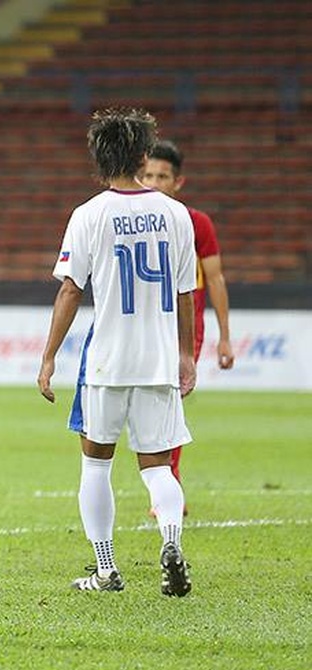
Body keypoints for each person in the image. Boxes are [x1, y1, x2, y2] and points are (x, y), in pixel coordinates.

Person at [36, 107, 197, 597]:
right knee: (156, 465)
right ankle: (170, 539)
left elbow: (70, 291)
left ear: (99, 159)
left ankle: (106, 569)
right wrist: (186, 354)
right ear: (144, 155)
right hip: (157, 359)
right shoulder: (176, 214)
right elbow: (186, 291)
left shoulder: (89, 214)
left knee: (96, 464)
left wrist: (48, 358)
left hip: (106, 360)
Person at [141, 140, 235, 493]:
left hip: (183, 330)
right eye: (148, 174)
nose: (153, 182)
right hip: (140, 326)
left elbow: (215, 279)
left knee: (169, 404)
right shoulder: (130, 222)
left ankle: (168, 483)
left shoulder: (196, 224)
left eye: (162, 176)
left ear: (177, 182)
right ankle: (159, 479)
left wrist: (224, 336)